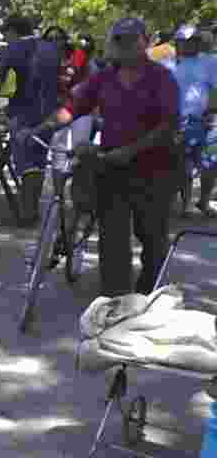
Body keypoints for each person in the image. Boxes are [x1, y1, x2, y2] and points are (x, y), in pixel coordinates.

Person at [27, 17, 179, 297]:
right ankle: (116, 302)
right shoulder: (104, 77)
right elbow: (73, 107)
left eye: (132, 40)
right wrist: (44, 127)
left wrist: (130, 151)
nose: (126, 46)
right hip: (113, 168)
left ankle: (148, 298)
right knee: (113, 241)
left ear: (144, 42)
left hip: (155, 169)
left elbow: (167, 125)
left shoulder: (162, 78)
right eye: (119, 40)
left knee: (153, 240)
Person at [0, 15, 63, 225]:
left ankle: (27, 213)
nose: (6, 39)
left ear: (13, 31)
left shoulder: (12, 50)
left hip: (22, 114)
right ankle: (32, 210)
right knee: (39, 162)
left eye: (6, 34)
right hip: (48, 114)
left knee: (25, 164)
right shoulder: (52, 49)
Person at [164, 24, 217, 217]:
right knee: (182, 166)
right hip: (177, 123)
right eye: (185, 41)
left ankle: (203, 201)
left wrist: (211, 111)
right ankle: (184, 204)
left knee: (210, 163)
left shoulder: (209, 62)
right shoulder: (167, 65)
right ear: (177, 43)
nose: (190, 45)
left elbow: (215, 89)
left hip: (205, 122)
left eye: (194, 41)